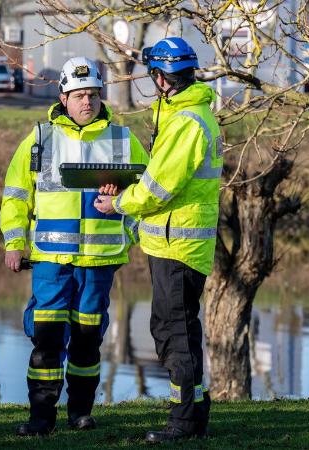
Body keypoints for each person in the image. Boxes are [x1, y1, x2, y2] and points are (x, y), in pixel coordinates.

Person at [0, 56, 148, 436]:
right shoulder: (39, 139)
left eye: (93, 95)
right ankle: (41, 418)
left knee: (87, 342)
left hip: (99, 262)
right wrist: (14, 243)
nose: (87, 102)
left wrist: (127, 231)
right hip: (51, 261)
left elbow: (147, 196)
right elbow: (16, 196)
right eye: (79, 95)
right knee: (47, 342)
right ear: (63, 97)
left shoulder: (122, 139)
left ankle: (81, 412)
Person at [94, 37, 222, 442]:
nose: (154, 84)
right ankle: (194, 414)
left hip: (177, 245)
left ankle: (183, 423)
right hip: (174, 244)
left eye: (155, 76)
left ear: (164, 78)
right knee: (176, 330)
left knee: (174, 335)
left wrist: (119, 205)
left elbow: (158, 187)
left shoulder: (187, 123)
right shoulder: (183, 115)